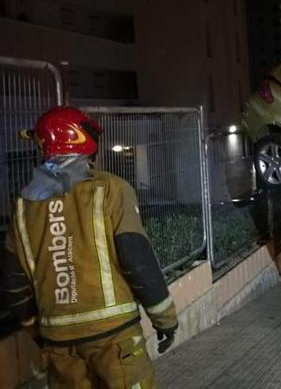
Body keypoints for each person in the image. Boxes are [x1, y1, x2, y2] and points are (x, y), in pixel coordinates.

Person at [2, 106, 178, 388]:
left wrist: (43, 331)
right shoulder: (111, 189)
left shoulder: (23, 208)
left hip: (59, 346)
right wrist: (165, 319)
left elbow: (13, 284)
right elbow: (136, 258)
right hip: (115, 339)